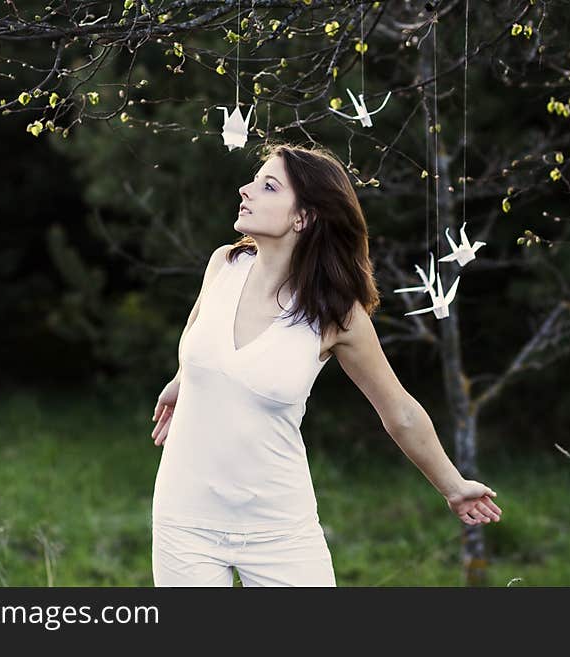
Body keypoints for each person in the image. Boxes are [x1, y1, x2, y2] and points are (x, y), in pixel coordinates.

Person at [149, 141, 502, 587]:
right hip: (185, 520)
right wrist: (184, 379)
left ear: (305, 217)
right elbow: (198, 331)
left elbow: (399, 410)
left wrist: (452, 485)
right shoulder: (224, 264)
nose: (245, 190)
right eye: (255, 181)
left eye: (268, 186)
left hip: (279, 530)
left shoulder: (336, 315)